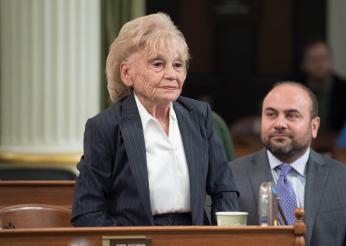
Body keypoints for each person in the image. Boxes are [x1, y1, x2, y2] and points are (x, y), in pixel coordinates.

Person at [71, 13, 238, 226]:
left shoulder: (199, 116)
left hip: (194, 236)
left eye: (178, 65)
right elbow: (86, 210)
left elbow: (225, 189)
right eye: (158, 64)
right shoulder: (105, 127)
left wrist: (222, 237)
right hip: (136, 238)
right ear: (126, 73)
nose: (171, 74)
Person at [230, 82, 346, 245]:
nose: (279, 124)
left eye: (291, 115)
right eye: (271, 114)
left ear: (314, 126)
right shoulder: (230, 176)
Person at [299, 40, 346, 132]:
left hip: (338, 144)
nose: (319, 64)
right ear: (303, 64)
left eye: (323, 59)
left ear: (331, 61)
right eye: (313, 60)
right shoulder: (293, 89)